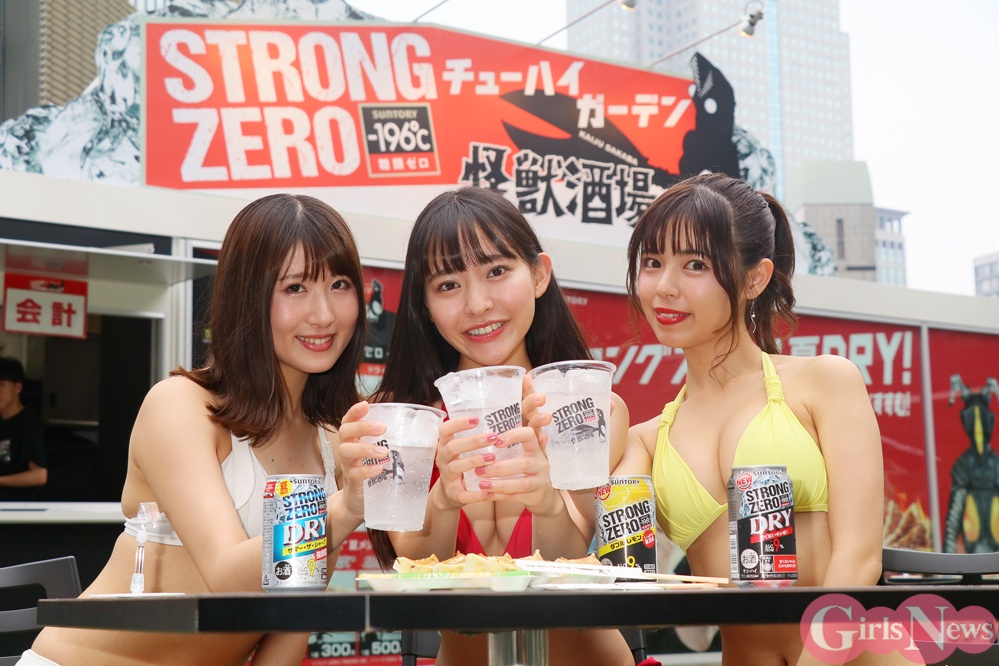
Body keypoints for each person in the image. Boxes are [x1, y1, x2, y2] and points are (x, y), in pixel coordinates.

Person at [25, 194, 390, 666]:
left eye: (339, 284)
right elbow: (226, 574)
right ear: (246, 296)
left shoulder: (331, 438)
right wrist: (345, 507)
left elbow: (295, 611)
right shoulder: (180, 406)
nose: (323, 314)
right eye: (295, 287)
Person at [615, 172, 913, 665]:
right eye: (652, 262)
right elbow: (612, 562)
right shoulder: (646, 440)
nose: (664, 287)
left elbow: (859, 560)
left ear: (754, 278)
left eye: (695, 265)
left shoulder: (824, 383)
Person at [367, 186, 635, 666]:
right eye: (448, 284)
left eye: (496, 271)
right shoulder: (404, 425)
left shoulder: (589, 408)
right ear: (424, 304)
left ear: (539, 274)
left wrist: (546, 502)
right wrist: (443, 499)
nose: (477, 304)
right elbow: (414, 571)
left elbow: (570, 560)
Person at [0, 357, 47, 500]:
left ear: (17, 387)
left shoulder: (28, 423)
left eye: (2, 385)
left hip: (17, 503)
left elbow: (39, 476)